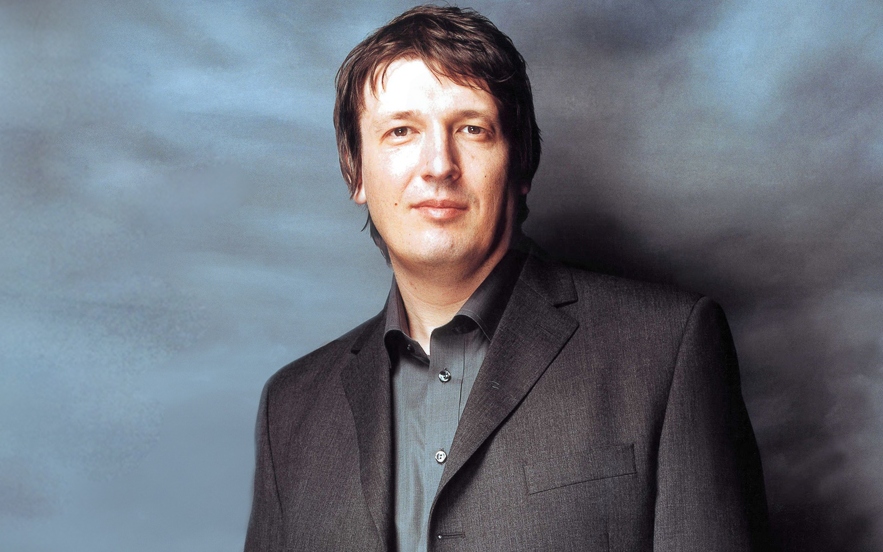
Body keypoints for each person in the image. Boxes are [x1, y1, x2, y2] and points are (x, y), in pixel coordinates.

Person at [245, 5, 770, 551]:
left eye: (472, 129)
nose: (438, 165)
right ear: (356, 171)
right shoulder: (290, 408)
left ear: (520, 164)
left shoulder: (666, 348)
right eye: (401, 131)